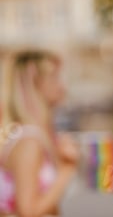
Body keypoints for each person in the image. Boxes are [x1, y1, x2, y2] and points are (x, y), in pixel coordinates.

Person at [0, 50, 79, 217]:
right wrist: (67, 170)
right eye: (55, 77)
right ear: (34, 84)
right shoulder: (29, 141)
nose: (62, 86)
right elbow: (28, 211)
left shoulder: (30, 135)